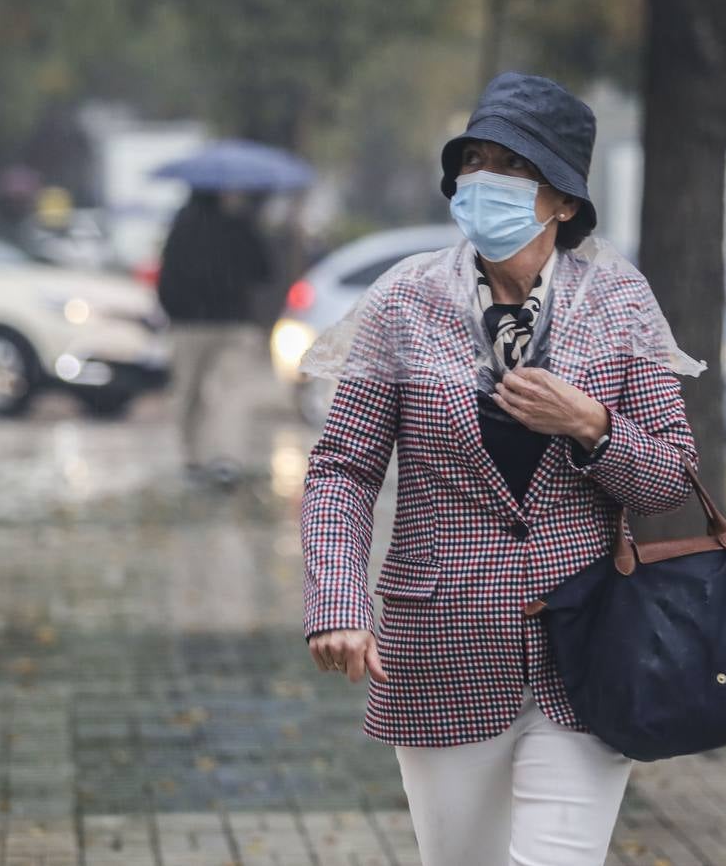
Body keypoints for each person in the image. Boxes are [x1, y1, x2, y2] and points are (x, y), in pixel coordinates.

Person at [299, 73, 701, 865]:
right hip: (440, 646)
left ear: (560, 200)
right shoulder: (403, 299)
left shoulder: (617, 298)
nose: (481, 181)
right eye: (472, 162)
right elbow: (342, 469)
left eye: (509, 166)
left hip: (588, 648)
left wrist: (590, 425)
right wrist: (336, 600)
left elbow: (668, 478)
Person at [157, 189, 273, 486]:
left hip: (189, 325)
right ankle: (227, 459)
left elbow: (165, 278)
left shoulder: (181, 228)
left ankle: (192, 457)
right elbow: (264, 271)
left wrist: (174, 312)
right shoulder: (241, 226)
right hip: (235, 324)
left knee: (189, 394)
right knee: (232, 393)